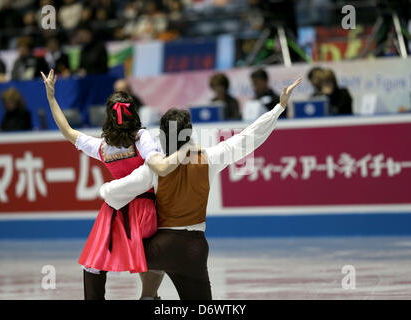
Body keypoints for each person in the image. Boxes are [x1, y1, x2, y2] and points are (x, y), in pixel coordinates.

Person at [100, 78, 302, 299]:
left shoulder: (154, 167)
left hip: (159, 249)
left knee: (142, 240)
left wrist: (109, 189)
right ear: (189, 133)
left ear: (163, 135)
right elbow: (248, 138)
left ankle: (149, 295)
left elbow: (111, 193)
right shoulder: (209, 158)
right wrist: (279, 108)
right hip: (193, 250)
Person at [41, 69, 193, 300]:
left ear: (108, 117)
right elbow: (159, 166)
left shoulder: (102, 147)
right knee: (149, 256)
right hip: (146, 211)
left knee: (94, 262)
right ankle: (149, 297)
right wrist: (183, 151)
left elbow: (68, 131)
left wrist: (51, 97)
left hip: (114, 212)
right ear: (133, 114)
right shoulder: (142, 138)